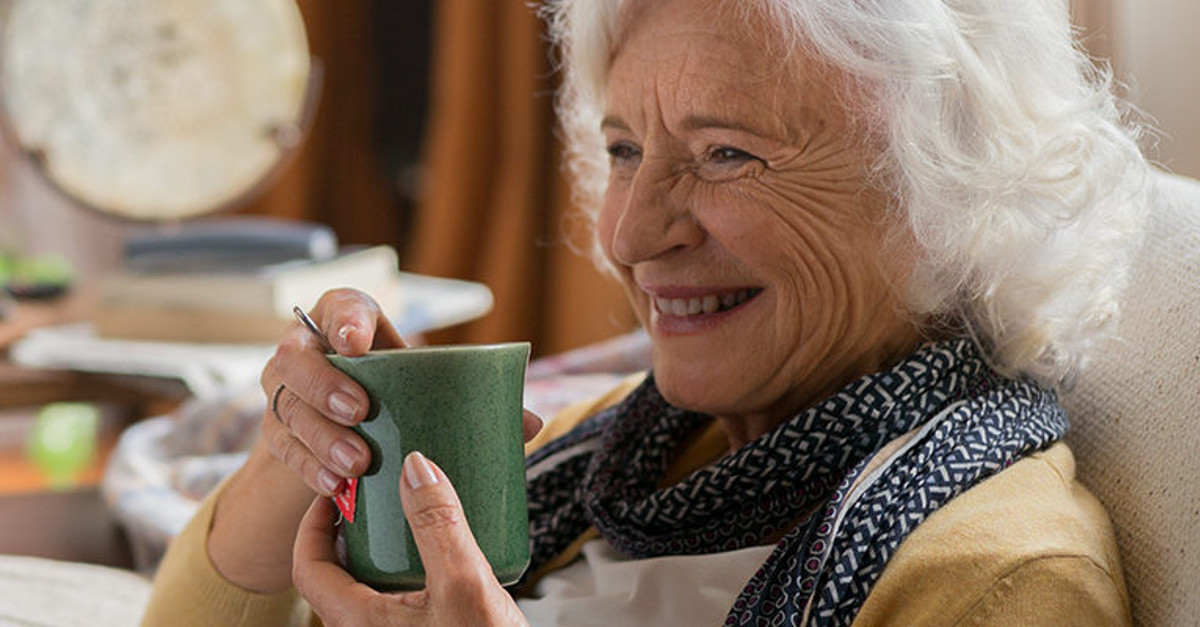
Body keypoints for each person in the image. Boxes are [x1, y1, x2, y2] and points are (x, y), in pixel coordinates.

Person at [141, 0, 1147, 624]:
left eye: (727, 154)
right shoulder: (620, 453)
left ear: (944, 197)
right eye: (623, 150)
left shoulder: (1000, 581)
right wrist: (306, 452)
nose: (627, 232)